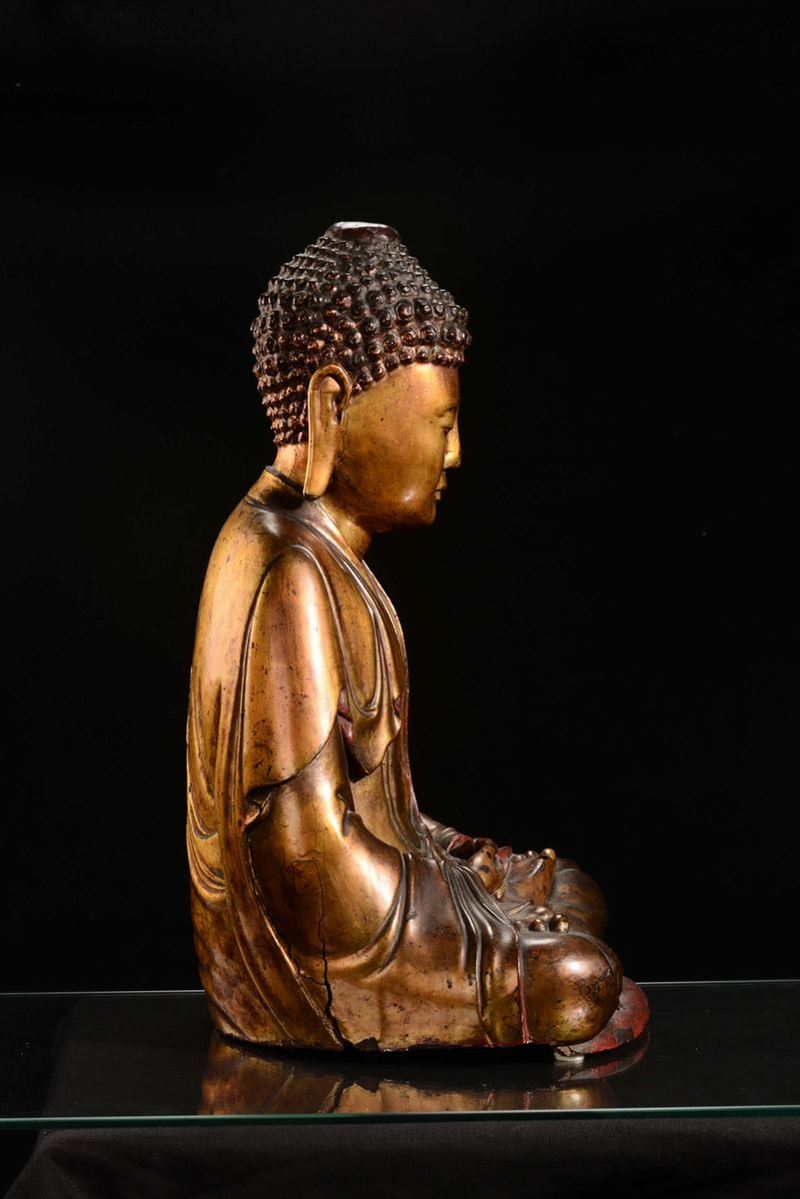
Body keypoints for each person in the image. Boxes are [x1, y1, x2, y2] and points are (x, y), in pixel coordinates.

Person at [186, 222, 648, 1053]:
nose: (456, 452)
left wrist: (462, 859)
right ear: (333, 405)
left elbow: (381, 814)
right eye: (442, 421)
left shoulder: (331, 560)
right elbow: (310, 870)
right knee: (578, 977)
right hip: (329, 959)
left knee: (571, 892)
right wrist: (468, 907)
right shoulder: (284, 568)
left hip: (382, 906)